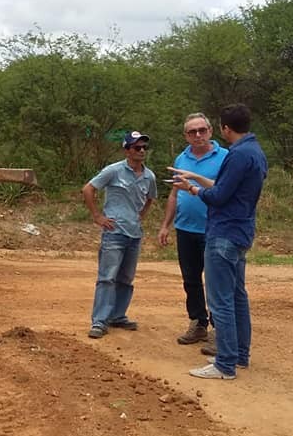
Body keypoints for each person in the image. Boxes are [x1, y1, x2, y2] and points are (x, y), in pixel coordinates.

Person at [171, 104, 267, 380]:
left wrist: (191, 189)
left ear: (223, 129)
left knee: (221, 301)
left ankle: (224, 364)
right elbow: (229, 189)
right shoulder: (255, 152)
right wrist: (196, 177)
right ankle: (240, 356)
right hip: (241, 231)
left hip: (224, 233)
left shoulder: (236, 155)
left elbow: (219, 197)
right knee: (237, 296)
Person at [158, 113, 228, 347]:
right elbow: (175, 193)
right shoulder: (181, 159)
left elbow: (227, 190)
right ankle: (198, 323)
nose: (198, 135)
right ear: (185, 136)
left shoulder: (225, 157)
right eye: (192, 132)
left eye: (202, 130)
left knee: (217, 281)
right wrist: (166, 225)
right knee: (191, 279)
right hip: (185, 229)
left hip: (214, 229)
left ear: (210, 130)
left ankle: (220, 329)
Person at [82, 130, 157, 339]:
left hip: (134, 234)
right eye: (136, 147)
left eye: (144, 147)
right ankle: (99, 321)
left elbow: (151, 198)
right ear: (127, 150)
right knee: (107, 277)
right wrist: (97, 216)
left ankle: (117, 315)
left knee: (126, 278)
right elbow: (88, 189)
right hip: (114, 233)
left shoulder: (149, 176)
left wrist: (140, 216)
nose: (141, 151)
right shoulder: (113, 171)